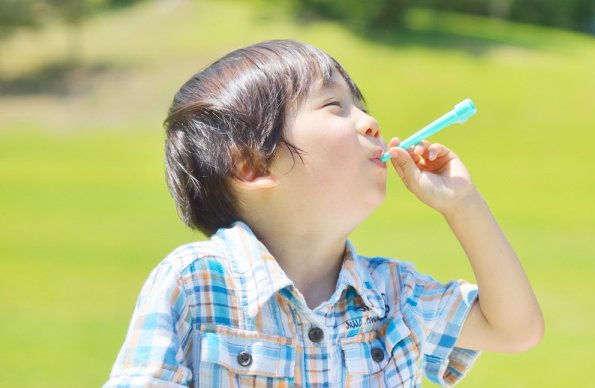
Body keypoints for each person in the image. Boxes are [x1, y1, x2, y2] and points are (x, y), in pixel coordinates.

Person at [105, 39, 542, 386]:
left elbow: (514, 329)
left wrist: (463, 204)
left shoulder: (394, 295)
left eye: (362, 106)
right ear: (251, 166)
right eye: (335, 106)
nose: (371, 122)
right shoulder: (194, 284)